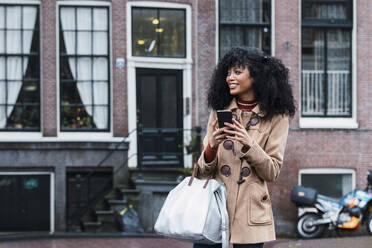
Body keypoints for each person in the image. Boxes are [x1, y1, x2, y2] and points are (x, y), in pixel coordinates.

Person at [193, 46, 296, 248]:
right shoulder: (220, 110)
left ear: (256, 77)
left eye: (237, 72)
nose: (229, 77)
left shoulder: (276, 116)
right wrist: (211, 146)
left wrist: (249, 143)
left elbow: (272, 172)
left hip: (251, 213)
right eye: (228, 72)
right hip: (215, 208)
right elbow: (201, 172)